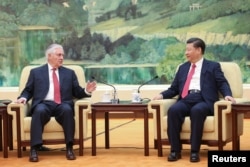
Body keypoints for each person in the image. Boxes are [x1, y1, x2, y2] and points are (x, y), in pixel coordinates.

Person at [153, 37, 235, 162]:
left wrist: (228, 95)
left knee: (197, 111)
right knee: (173, 111)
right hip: (186, 99)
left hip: (204, 100)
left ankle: (194, 151)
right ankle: (175, 151)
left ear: (198, 50)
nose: (186, 53)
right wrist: (162, 95)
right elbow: (174, 88)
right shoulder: (183, 68)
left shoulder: (213, 66)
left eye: (188, 50)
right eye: (186, 50)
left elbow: (222, 83)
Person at [16, 43, 97, 162]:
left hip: (62, 104)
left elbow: (77, 92)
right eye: (59, 55)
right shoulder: (36, 72)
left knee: (67, 110)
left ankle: (69, 147)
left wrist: (86, 90)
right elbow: (28, 90)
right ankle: (34, 148)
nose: (62, 58)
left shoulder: (69, 73)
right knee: (39, 111)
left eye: (62, 55)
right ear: (49, 56)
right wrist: (23, 98)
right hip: (44, 103)